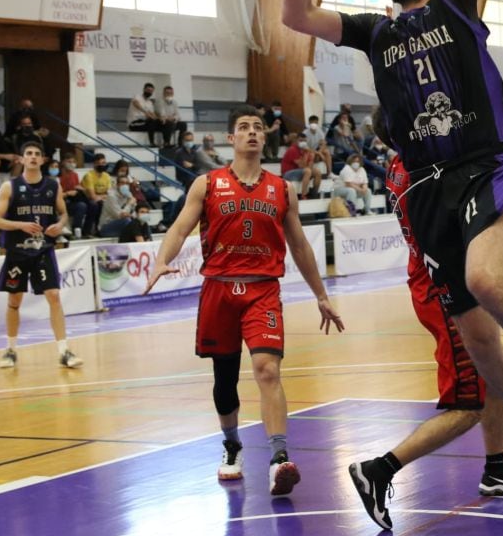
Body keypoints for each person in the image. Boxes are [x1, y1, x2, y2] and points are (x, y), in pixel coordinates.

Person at [283, 0, 503, 494]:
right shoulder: (376, 31)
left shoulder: (455, 4)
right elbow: (295, 15)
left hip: (480, 166)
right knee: (475, 337)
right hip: (426, 190)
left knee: (490, 281)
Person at [348, 76, 503, 530]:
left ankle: (495, 469)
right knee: (467, 403)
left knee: (492, 374)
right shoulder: (426, 170)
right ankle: (378, 470)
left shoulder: (411, 164)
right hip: (441, 290)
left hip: (433, 277)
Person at [144, 104, 344, 496]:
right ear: (230, 138)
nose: (251, 132)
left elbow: (300, 245)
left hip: (263, 290)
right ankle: (232, 447)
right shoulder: (207, 183)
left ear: (263, 137)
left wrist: (321, 294)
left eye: (257, 127)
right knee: (224, 378)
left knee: (267, 369)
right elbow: (180, 226)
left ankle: (278, 458)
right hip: (219, 288)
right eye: (243, 127)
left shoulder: (281, 189)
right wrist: (160, 260)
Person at [0, 142, 84, 369]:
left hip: (43, 249)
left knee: (53, 295)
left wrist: (59, 225)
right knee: (14, 301)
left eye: (36, 154)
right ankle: (11, 349)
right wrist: (20, 225)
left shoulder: (53, 186)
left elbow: (63, 215)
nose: (32, 157)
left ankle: (64, 351)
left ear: (42, 160)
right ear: (22, 159)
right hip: (17, 252)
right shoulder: (9, 187)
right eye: (28, 154)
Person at [281, 132, 322, 199]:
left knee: (317, 172)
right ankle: (303, 195)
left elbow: (309, 166)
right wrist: (306, 155)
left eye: (305, 141)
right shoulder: (292, 149)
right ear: (296, 141)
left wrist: (311, 157)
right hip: (288, 173)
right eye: (301, 140)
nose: (303, 142)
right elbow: (301, 166)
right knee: (308, 171)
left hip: (300, 172)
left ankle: (314, 193)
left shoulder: (306, 150)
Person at [79, 154, 111, 237]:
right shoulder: (89, 176)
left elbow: (110, 194)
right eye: (99, 163)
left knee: (105, 203)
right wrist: (102, 196)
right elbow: (92, 196)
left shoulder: (107, 176)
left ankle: (101, 229)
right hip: (84, 197)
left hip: (100, 198)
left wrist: (101, 197)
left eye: (103, 163)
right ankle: (87, 231)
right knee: (94, 204)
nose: (101, 165)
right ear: (94, 164)